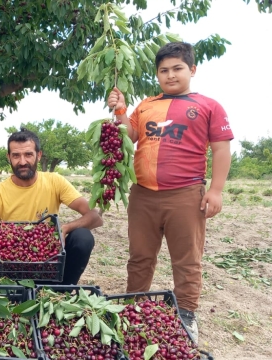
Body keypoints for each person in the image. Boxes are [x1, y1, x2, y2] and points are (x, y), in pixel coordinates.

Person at [107, 41, 233, 342]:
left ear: (192, 69)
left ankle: (186, 314)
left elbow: (221, 148)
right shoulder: (147, 105)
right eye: (163, 70)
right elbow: (131, 135)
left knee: (187, 259)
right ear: (157, 74)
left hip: (186, 195)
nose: (170, 75)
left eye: (177, 68)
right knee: (139, 257)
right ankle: (133, 306)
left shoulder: (208, 106)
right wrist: (121, 109)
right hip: (143, 195)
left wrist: (215, 191)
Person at [0, 128, 103, 285]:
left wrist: (65, 228)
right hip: (11, 267)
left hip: (49, 264)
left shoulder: (55, 181)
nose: (22, 162)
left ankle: (61, 292)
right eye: (16, 156)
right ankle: (11, 292)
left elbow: (96, 217)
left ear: (38, 155)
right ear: (9, 158)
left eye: (28, 154)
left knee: (82, 237)